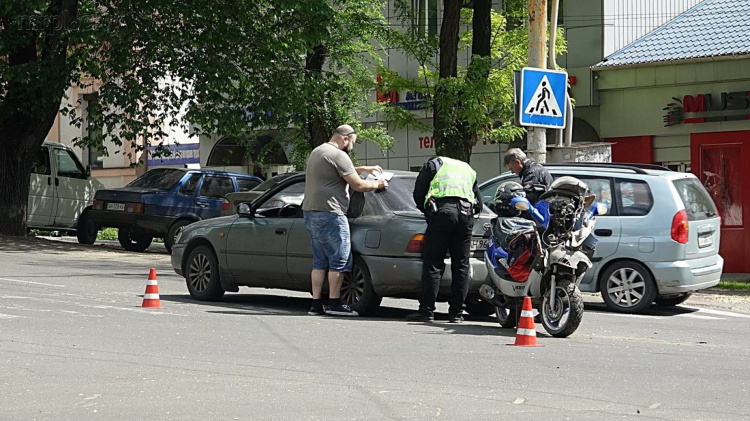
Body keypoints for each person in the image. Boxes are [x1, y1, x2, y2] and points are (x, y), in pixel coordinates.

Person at [301, 124, 388, 317]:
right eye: (353, 143)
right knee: (339, 259)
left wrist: (363, 168)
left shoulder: (319, 151)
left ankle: (316, 304)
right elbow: (357, 185)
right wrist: (378, 183)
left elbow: (336, 169)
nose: (352, 148)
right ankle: (334, 303)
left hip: (311, 212)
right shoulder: (339, 155)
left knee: (319, 260)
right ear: (345, 138)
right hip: (331, 213)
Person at [406, 156, 482, 323]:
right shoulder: (467, 169)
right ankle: (456, 314)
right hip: (466, 214)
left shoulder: (433, 165)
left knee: (433, 263)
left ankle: (426, 311)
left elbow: (418, 194)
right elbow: (479, 204)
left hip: (443, 213)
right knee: (461, 265)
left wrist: (428, 211)